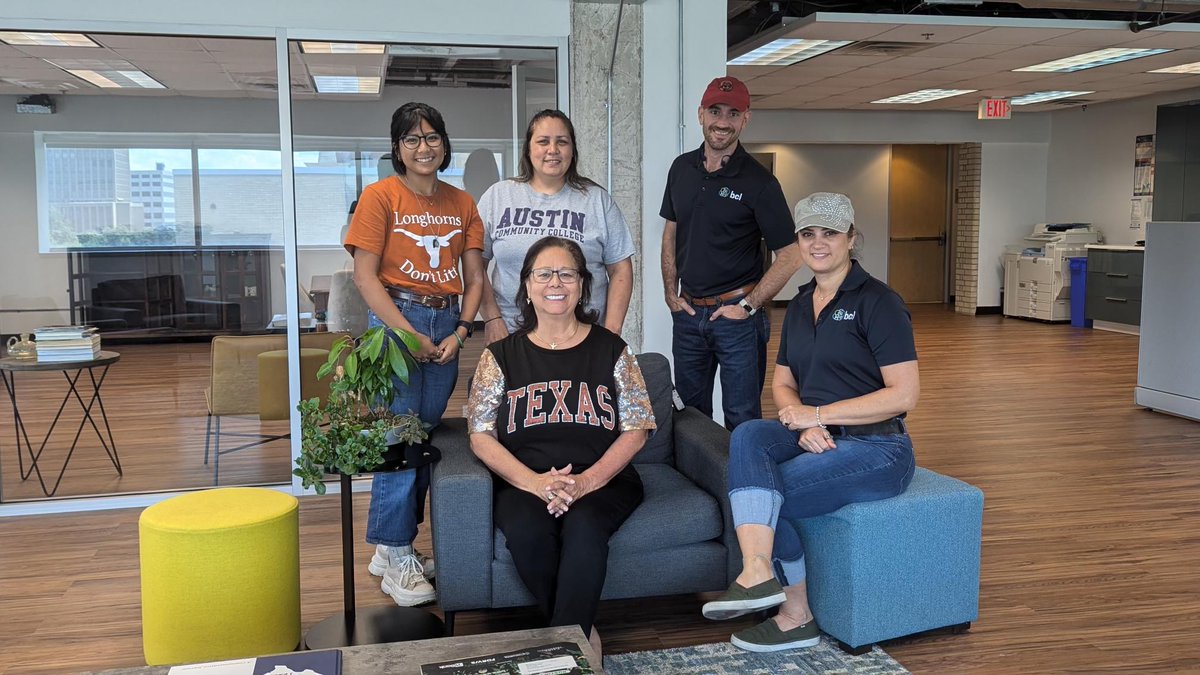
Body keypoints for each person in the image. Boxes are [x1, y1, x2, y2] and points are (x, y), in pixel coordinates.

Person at [700, 192, 919, 652]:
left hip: (878, 449)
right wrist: (802, 425)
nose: (818, 243)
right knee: (749, 435)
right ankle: (759, 569)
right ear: (798, 242)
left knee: (763, 495)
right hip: (816, 434)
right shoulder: (799, 304)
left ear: (851, 238)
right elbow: (783, 385)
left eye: (830, 233)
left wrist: (818, 416)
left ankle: (794, 614)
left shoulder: (879, 302)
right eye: (808, 234)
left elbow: (904, 394)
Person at [467, 236, 656, 659]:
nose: (556, 282)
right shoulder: (499, 356)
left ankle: (560, 649)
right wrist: (534, 484)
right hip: (524, 482)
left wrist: (586, 481)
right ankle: (580, 639)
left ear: (583, 285)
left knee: (585, 528)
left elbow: (637, 428)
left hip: (605, 480)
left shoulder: (612, 349)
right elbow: (480, 435)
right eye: (544, 274)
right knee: (527, 531)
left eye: (567, 273)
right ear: (528, 287)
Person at [343, 101, 485, 607]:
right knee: (398, 438)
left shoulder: (463, 202)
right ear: (397, 149)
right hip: (396, 321)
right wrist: (405, 334)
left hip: (447, 322)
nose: (423, 147)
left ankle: (390, 545)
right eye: (411, 139)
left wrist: (463, 330)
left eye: (431, 137)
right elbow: (366, 276)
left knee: (421, 436)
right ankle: (399, 551)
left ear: (444, 144)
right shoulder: (380, 197)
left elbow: (475, 276)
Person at [660, 76, 803, 430]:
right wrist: (670, 292)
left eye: (733, 113)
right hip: (690, 315)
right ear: (701, 114)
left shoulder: (760, 182)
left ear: (745, 119)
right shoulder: (681, 169)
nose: (722, 121)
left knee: (742, 418)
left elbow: (791, 254)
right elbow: (671, 231)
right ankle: (699, 487)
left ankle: (741, 486)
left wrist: (749, 306)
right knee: (690, 418)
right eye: (715, 111)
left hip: (738, 321)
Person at [478, 109, 635, 344]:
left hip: (583, 338)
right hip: (511, 336)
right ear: (528, 149)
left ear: (572, 150)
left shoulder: (597, 201)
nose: (553, 150)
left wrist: (611, 333)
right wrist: (491, 320)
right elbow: (473, 267)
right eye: (543, 141)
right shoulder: (498, 197)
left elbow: (621, 270)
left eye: (562, 142)